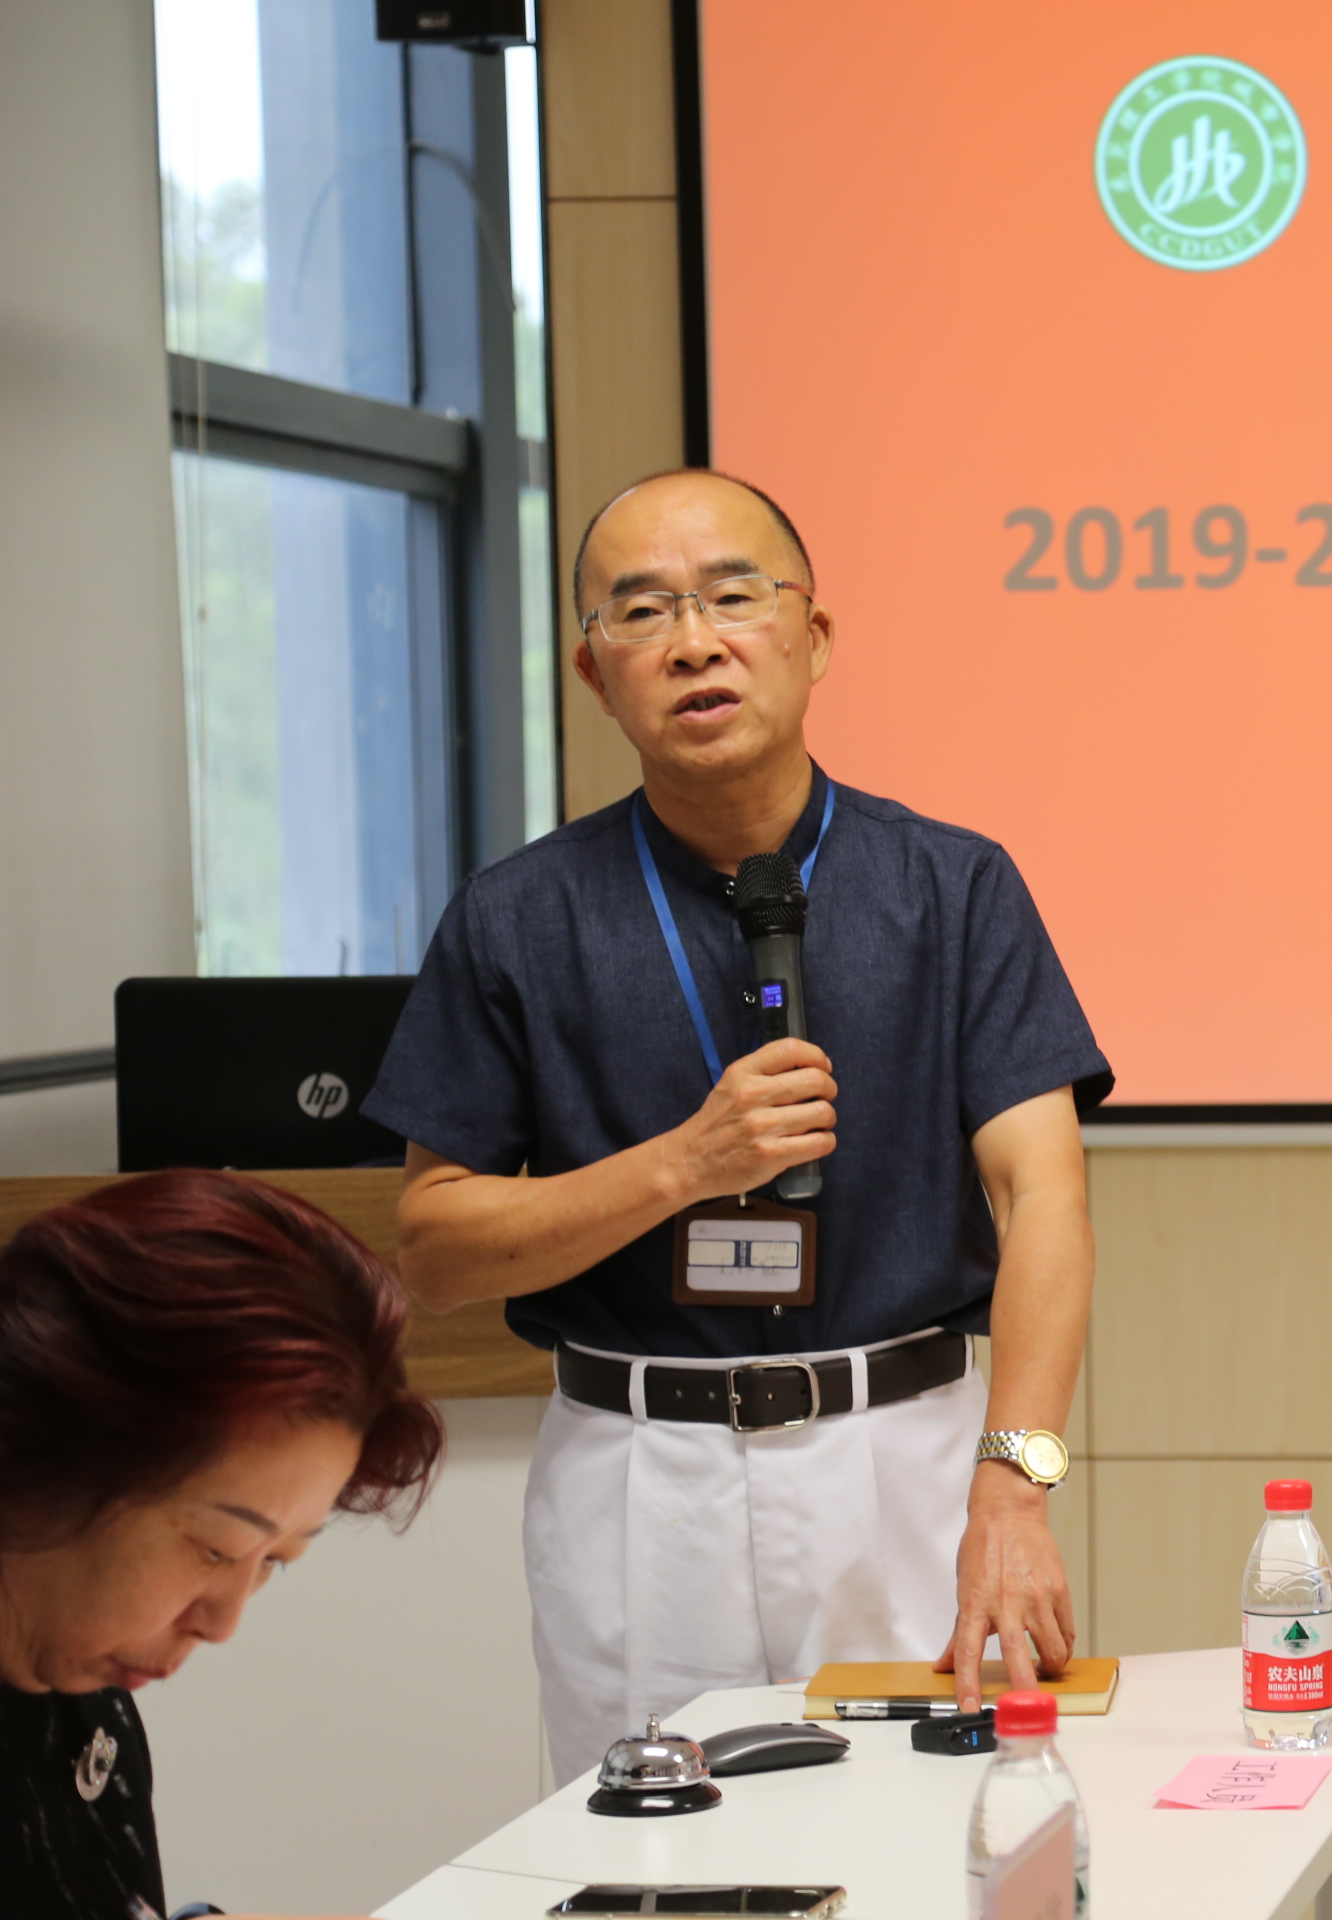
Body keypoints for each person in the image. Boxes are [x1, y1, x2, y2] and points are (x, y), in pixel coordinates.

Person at [363, 469, 1110, 1776]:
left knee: (937, 1842)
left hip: (903, 1465)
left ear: (813, 636)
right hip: (639, 1478)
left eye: (732, 597)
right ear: (595, 675)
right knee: (648, 1856)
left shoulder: (952, 888)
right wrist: (683, 1166)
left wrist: (1015, 1484)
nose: (694, 641)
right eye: (642, 611)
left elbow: (1044, 1196)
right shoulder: (517, 917)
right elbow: (433, 1250)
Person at [0, 1170, 446, 1920]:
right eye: (215, 1550)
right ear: (44, 1458)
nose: (223, 1623)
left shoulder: (78, 1684)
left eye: (274, 1561)